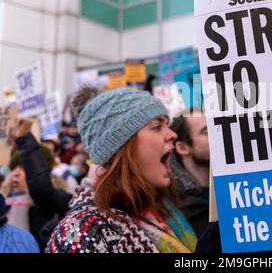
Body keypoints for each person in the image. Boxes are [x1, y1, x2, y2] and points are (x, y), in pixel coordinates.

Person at [46, 87, 197, 253]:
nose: (172, 134)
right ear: (121, 146)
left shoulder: (162, 209)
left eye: (167, 125)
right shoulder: (82, 233)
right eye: (157, 126)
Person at [2, 122, 73, 251]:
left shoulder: (54, 201)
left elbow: (41, 189)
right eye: (13, 168)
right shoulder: (4, 203)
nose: (16, 173)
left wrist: (25, 142)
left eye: (23, 168)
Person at [170, 111, 210, 237]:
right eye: (207, 132)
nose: (219, 136)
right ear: (182, 148)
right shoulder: (175, 205)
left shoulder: (235, 188)